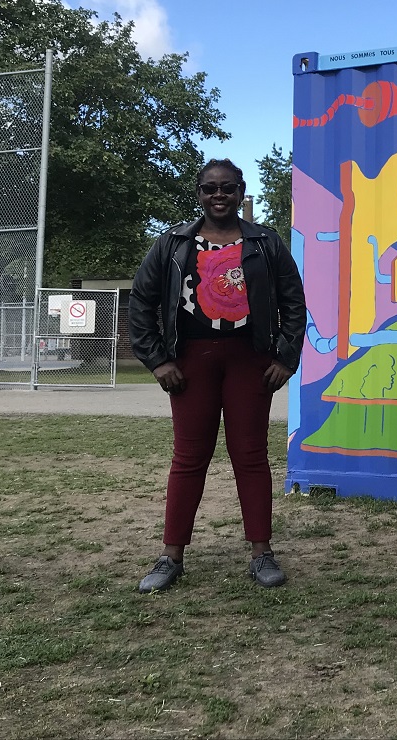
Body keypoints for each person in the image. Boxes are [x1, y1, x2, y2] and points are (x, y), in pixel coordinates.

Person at [129, 159, 306, 592]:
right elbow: (141, 302)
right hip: (190, 362)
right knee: (188, 458)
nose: (219, 195)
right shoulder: (174, 242)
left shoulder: (264, 242)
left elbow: (293, 301)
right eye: (210, 188)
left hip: (249, 360)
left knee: (251, 456)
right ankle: (171, 555)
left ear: (241, 191)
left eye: (228, 188)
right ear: (199, 193)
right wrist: (158, 360)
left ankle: (261, 553)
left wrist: (285, 357)